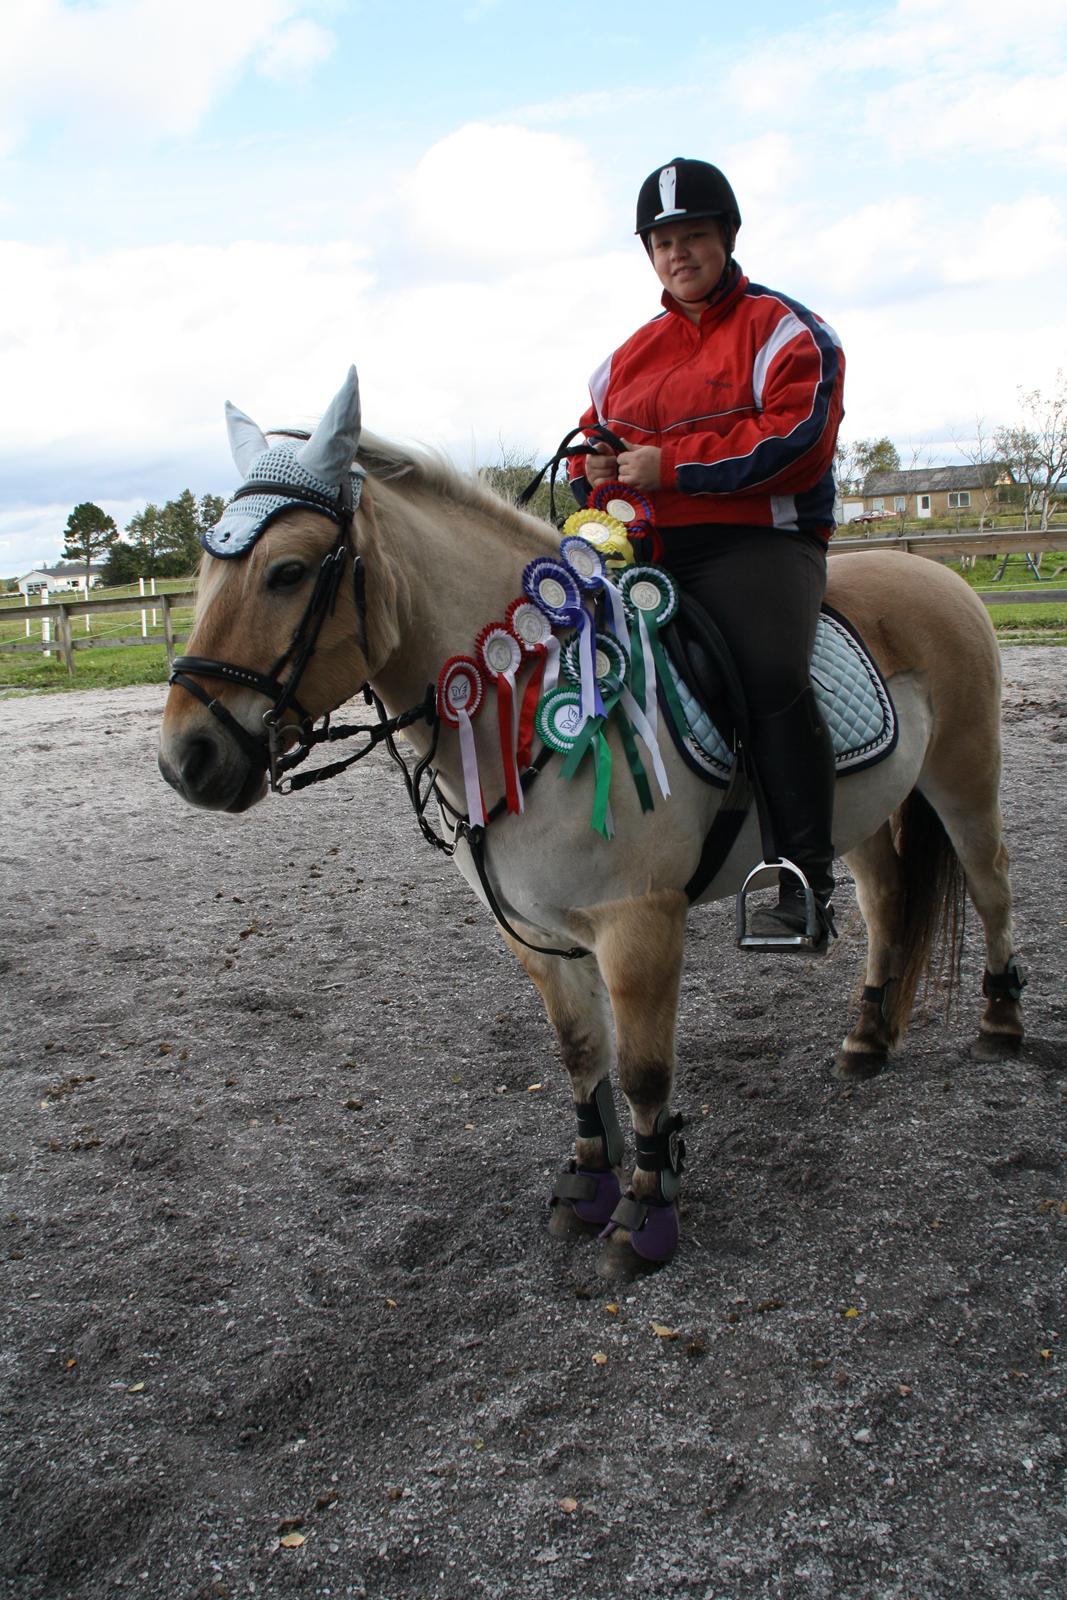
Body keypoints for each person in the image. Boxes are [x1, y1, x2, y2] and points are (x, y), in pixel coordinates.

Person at [567, 156, 845, 950]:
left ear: (724, 237)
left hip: (759, 539)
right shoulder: (623, 358)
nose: (675, 255)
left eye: (691, 237)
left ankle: (804, 879)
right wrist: (593, 472)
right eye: (660, 243)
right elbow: (593, 444)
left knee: (767, 669)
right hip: (646, 545)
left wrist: (673, 467)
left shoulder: (787, 331)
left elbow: (797, 444)